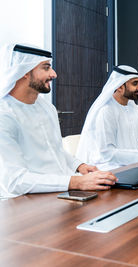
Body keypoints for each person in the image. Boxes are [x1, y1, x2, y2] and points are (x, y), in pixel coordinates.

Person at [0, 44, 117, 199]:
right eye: (46, 68)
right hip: (23, 201)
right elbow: (15, 181)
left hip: (61, 190)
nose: (54, 74)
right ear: (25, 72)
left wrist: (79, 165)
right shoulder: (4, 115)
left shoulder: (46, 107)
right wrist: (76, 182)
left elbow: (54, 149)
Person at [76, 65, 138, 171]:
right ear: (119, 86)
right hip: (112, 169)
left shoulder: (135, 108)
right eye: (135, 83)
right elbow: (107, 153)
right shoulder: (106, 111)